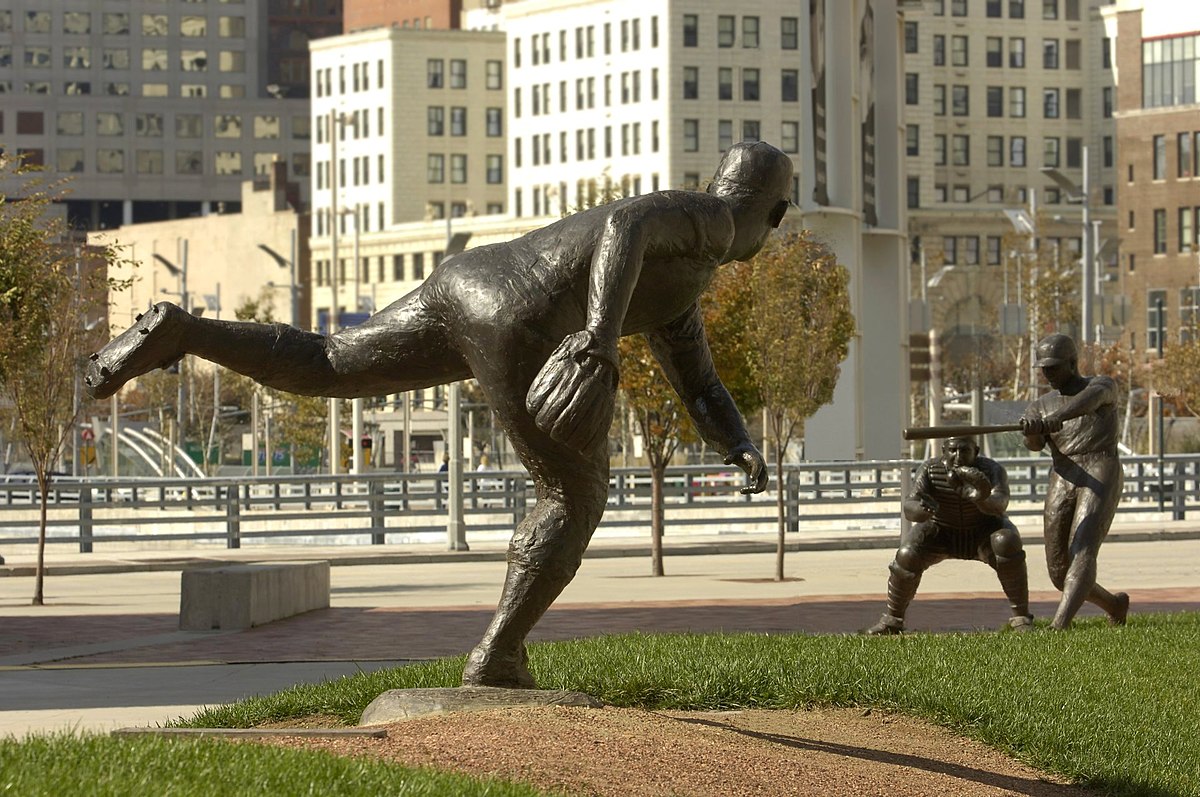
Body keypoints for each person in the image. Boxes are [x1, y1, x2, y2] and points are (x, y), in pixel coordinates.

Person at [84, 141, 787, 688]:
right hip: (523, 312)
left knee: (332, 359)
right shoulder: (716, 224)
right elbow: (629, 221)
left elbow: (698, 382)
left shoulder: (680, 284)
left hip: (470, 282)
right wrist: (598, 340)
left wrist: (739, 445)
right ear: (772, 212)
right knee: (574, 494)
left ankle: (186, 332)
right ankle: (498, 656)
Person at [866, 435, 1032, 634]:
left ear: (976, 452)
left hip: (983, 529)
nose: (958, 456)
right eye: (952, 450)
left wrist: (979, 498)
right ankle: (893, 620)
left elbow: (1000, 502)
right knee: (907, 554)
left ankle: (1021, 618)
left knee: (1007, 541)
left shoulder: (992, 469)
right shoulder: (930, 469)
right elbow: (910, 505)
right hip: (940, 530)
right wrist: (922, 510)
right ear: (943, 450)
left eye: (965, 450)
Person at [1020, 333, 1129, 630]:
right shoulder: (1039, 406)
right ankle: (1114, 604)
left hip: (1099, 466)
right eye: (1043, 368)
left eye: (1053, 367)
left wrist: (1059, 416)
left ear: (1072, 363)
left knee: (1082, 549)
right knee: (1059, 572)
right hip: (1063, 473)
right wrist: (1031, 430)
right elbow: (1033, 445)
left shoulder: (1102, 385)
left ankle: (1059, 625)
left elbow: (1088, 402)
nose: (1047, 374)